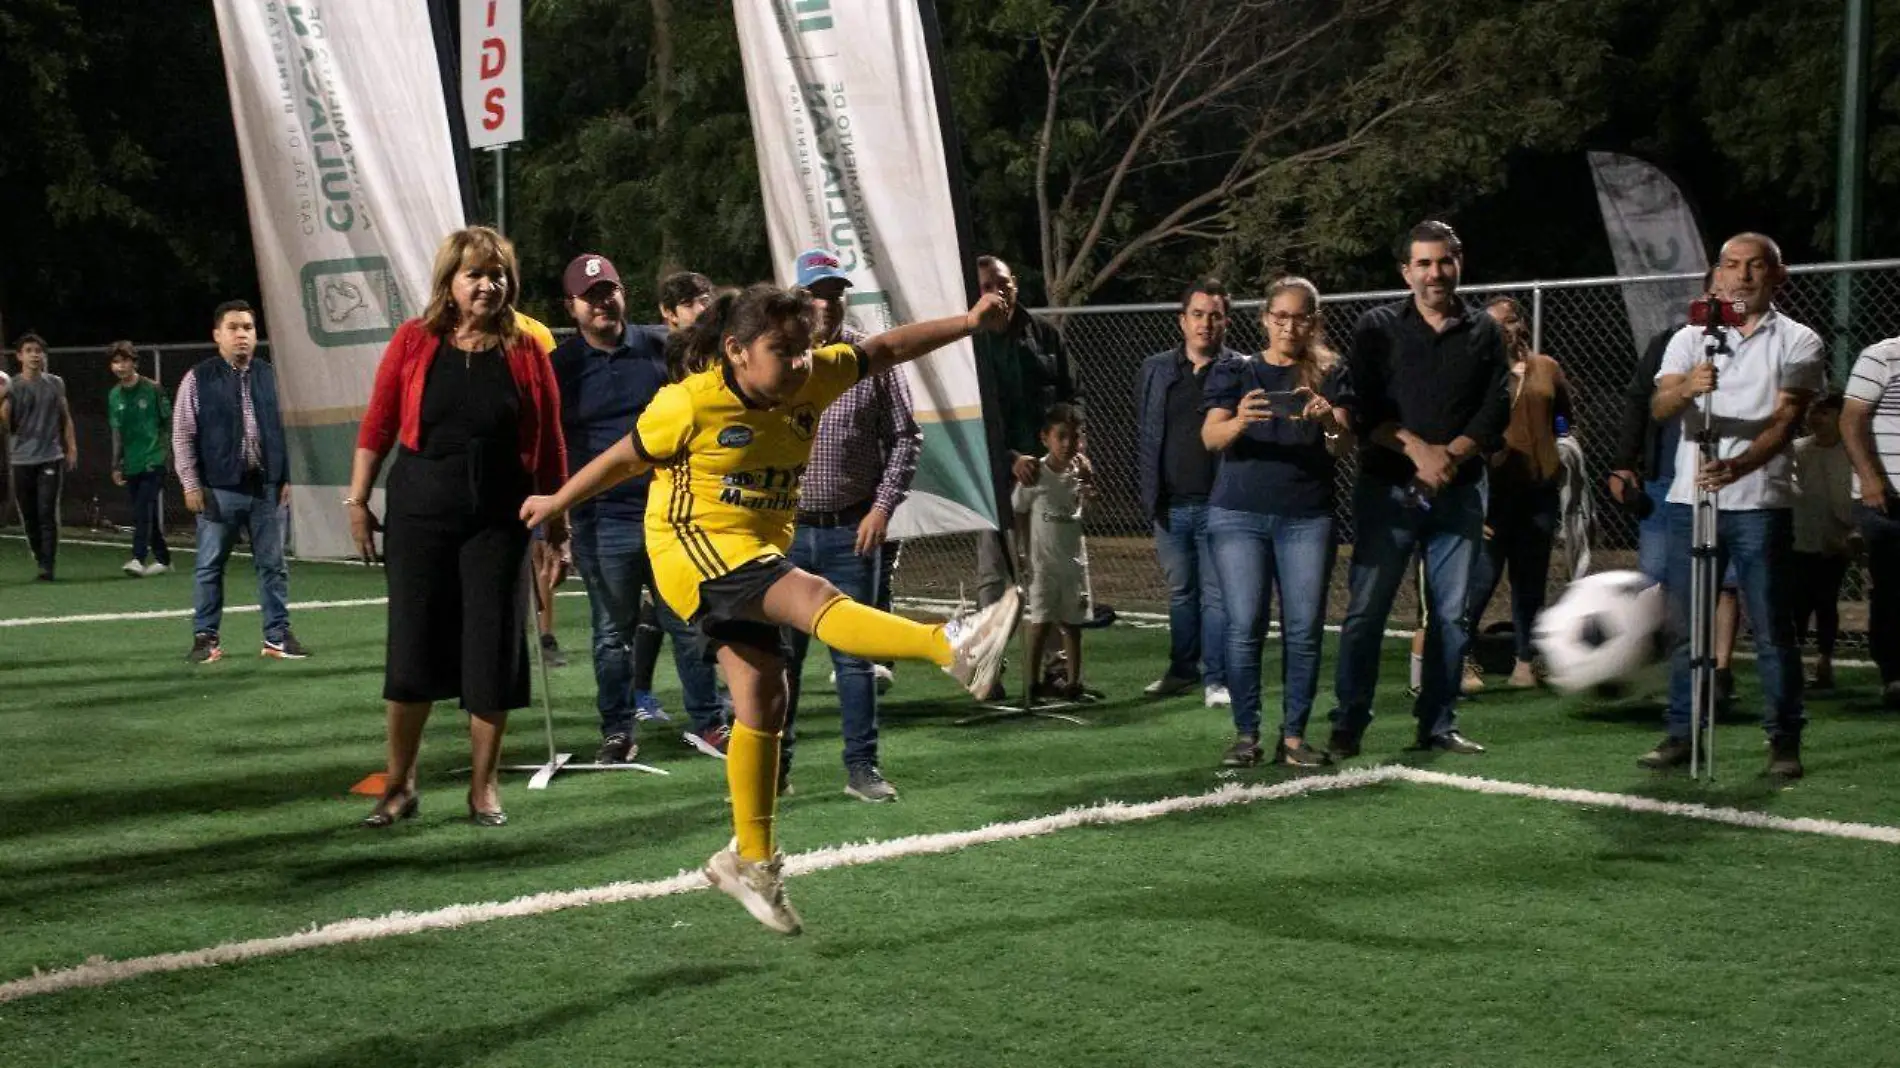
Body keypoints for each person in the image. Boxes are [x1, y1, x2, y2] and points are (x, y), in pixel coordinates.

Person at [521, 283, 1018, 935]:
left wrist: (972, 322)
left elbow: (889, 347)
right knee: (811, 597)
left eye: (805, 348)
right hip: (688, 545)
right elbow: (623, 458)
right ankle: (948, 646)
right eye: (782, 350)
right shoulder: (691, 401)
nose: (800, 362)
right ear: (736, 351)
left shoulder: (811, 376)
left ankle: (750, 861)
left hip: (751, 545)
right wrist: (557, 502)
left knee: (765, 696)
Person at [346, 226, 567, 828]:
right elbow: (378, 425)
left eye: (497, 274)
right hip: (420, 511)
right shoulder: (414, 341)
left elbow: (550, 447)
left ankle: (484, 788)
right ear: (449, 281)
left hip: (501, 518)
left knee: (493, 654)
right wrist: (358, 500)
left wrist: (558, 527)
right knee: (412, 647)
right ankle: (400, 784)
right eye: (474, 273)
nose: (487, 284)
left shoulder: (526, 350)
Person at [1641, 232, 1823, 778]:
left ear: (1776, 275)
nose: (1741, 276)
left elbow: (1788, 418)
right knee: (1688, 626)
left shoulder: (1799, 341)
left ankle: (1783, 739)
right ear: (1716, 275)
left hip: (1759, 502)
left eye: (1754, 266)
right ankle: (1680, 731)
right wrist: (1690, 388)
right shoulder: (1690, 338)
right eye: (1731, 266)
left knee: (1771, 626)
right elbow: (1660, 405)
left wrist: (1739, 466)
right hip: (1688, 500)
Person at [1327, 220, 1510, 758]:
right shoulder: (1375, 327)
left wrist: (1449, 456)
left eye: (1444, 260)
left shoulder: (1485, 331)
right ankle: (1349, 723)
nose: (1435, 272)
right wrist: (1416, 450)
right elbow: (1361, 407)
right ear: (1406, 271)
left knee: (1450, 617)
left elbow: (1495, 407)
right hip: (1388, 490)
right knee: (1366, 611)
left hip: (1458, 489)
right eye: (1424, 263)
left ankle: (1437, 724)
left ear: (1460, 263)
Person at [549, 252, 724, 766]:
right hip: (603, 521)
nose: (603, 303)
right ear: (571, 306)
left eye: (610, 291)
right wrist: (556, 523)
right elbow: (551, 443)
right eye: (591, 296)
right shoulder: (561, 367)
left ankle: (710, 723)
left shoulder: (660, 347)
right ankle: (617, 731)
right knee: (611, 635)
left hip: (671, 515)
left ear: (623, 294)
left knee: (689, 622)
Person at [779, 248, 923, 802]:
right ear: (798, 297)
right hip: (787, 534)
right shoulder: (781, 357)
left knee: (854, 658)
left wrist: (882, 508)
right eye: (818, 293)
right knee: (782, 659)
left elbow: (907, 435)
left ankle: (862, 768)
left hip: (848, 529)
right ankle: (776, 767)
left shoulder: (871, 357)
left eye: (836, 292)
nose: (828, 303)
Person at [1202, 277, 1354, 767]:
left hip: (1307, 516)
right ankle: (1247, 735)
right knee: (1244, 624)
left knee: (1304, 628)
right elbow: (1210, 438)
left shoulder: (1332, 371)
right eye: (1281, 316)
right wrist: (1242, 420)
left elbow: (1342, 444)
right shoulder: (1236, 371)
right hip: (1238, 512)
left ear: (1315, 320)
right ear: (1265, 318)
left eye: (1301, 316)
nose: (1290, 326)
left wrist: (1328, 420)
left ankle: (1293, 738)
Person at [1607, 270, 1744, 705]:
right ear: (1705, 293)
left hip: (1729, 477)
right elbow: (1641, 401)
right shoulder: (1673, 339)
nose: (1724, 296)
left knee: (1725, 581)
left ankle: (1720, 670)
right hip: (1666, 479)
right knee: (1660, 579)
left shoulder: (1754, 343)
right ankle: (1671, 670)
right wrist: (1624, 463)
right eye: (1717, 289)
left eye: (1733, 291)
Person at [173, 302, 307, 661]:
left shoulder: (271, 375)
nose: (242, 334)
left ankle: (276, 636)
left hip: (267, 489)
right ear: (217, 335)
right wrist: (190, 483)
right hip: (219, 490)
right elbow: (183, 434)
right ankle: (206, 639)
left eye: (248, 327)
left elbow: (290, 431)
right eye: (233, 327)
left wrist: (288, 476)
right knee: (209, 566)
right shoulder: (198, 378)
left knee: (274, 565)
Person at [1135, 279, 1244, 707]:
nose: (1205, 323)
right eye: (1197, 314)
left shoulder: (1240, 368)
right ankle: (1182, 670)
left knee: (1217, 595)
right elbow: (1145, 432)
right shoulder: (1156, 369)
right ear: (1182, 321)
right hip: (1171, 503)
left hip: (1221, 503)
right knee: (1181, 592)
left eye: (1214, 315)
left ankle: (1216, 678)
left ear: (1226, 322)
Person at [1461, 297, 1573, 692]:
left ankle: (1526, 661)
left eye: (1507, 322)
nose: (1501, 330)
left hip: (1537, 491)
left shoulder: (1546, 368)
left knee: (1530, 582)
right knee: (1480, 582)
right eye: (1492, 324)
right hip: (1493, 497)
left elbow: (1565, 417)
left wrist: (1564, 452)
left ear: (1520, 325)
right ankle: (1461, 658)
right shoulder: (1477, 373)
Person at [971, 256, 1081, 623]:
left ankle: (1053, 666)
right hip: (995, 475)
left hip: (1045, 474)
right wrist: (1010, 458)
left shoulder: (1045, 334)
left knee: (1049, 568)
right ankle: (988, 665)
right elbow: (971, 418)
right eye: (986, 286)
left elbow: (1073, 395)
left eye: (1002, 283)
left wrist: (1077, 450)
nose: (997, 292)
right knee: (994, 572)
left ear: (1014, 283)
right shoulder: (968, 343)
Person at [1013, 403, 1094, 703]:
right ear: (1045, 437)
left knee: (1073, 625)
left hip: (1073, 562)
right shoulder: (1036, 474)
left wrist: (1089, 485)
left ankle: (1074, 684)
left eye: (1073, 437)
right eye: (1060, 436)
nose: (1067, 443)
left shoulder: (1080, 472)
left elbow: (1088, 510)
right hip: (1042, 564)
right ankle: (1032, 686)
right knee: (1041, 623)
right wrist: (1023, 549)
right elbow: (1019, 509)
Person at [1841, 334, 1900, 706]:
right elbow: (1851, 420)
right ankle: (1894, 674)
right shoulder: (1883, 356)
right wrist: (1868, 477)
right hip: (1889, 498)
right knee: (1892, 588)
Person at [1789, 393, 1855, 691]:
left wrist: (1850, 534)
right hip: (1801, 539)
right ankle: (1795, 663)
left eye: (1825, 412)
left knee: (1826, 600)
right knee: (1798, 603)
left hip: (1835, 540)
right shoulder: (1798, 451)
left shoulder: (1852, 453)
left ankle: (1824, 661)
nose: (1816, 418)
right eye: (1813, 411)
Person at [1, 333, 77, 580]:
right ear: (20, 356)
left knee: (46, 511)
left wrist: (71, 447)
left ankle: (48, 565)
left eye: (39, 351)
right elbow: (5, 424)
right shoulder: (12, 387)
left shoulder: (55, 383)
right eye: (29, 350)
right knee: (29, 514)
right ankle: (38, 552)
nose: (35, 355)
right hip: (21, 458)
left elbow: (65, 417)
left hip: (50, 456)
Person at [107, 341, 173, 577]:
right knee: (145, 512)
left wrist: (169, 455)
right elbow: (117, 433)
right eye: (116, 361)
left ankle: (138, 558)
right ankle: (164, 558)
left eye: (125, 360)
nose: (120, 366)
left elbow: (168, 423)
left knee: (142, 508)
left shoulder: (153, 389)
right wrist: (116, 464)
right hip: (132, 462)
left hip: (154, 459)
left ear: (134, 362)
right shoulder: (114, 395)